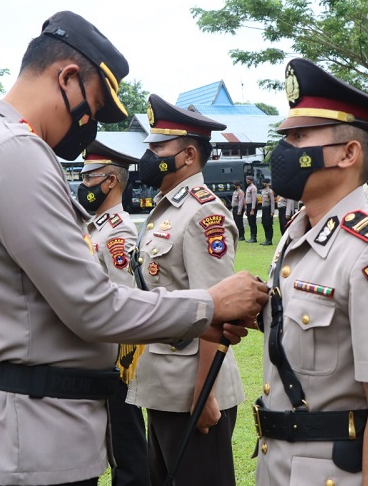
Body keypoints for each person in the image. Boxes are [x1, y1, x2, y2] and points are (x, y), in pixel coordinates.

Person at [0, 11, 267, 486]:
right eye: (92, 107)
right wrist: (212, 304)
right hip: (31, 442)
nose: (89, 127)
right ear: (67, 79)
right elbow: (91, 305)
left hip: (26, 432)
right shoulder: (16, 153)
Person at [253, 57, 368, 485]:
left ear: (349, 153)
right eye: (285, 136)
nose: (283, 151)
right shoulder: (297, 233)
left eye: (298, 137)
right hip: (276, 465)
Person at [126, 94, 244, 486]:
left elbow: (218, 310)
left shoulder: (202, 212)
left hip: (193, 391)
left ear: (189, 155)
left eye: (159, 147)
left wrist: (204, 393)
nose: (150, 155)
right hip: (164, 386)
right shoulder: (168, 207)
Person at [77, 141, 150, 485]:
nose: (84, 184)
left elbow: (122, 296)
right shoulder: (94, 227)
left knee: (126, 443)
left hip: (116, 355)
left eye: (89, 177)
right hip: (97, 351)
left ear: (110, 181)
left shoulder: (117, 229)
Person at [260, 178, 276, 245]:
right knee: (264, 224)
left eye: (263, 183)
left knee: (269, 224)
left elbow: (272, 202)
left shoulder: (270, 191)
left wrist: (272, 211)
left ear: (267, 183)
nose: (262, 184)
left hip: (268, 209)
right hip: (264, 209)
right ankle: (266, 239)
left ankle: (269, 240)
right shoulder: (263, 191)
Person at [245, 175, 259, 242]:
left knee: (252, 222)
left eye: (247, 179)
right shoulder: (248, 187)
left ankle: (254, 237)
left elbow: (254, 199)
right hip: (248, 205)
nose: (246, 180)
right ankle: (251, 236)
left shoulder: (253, 188)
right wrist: (246, 209)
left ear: (250, 180)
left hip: (252, 206)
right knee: (250, 222)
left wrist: (252, 209)